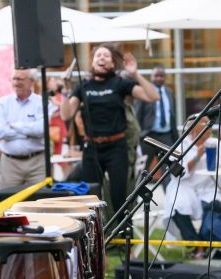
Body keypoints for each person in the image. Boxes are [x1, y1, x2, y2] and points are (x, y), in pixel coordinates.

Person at [61, 44, 158, 212]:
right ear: (93, 63)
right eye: (98, 55)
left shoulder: (120, 83)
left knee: (118, 196)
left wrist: (135, 74)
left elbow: (153, 96)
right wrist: (65, 89)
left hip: (116, 148)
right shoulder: (83, 87)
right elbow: (66, 115)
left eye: (106, 56)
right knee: (91, 197)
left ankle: (122, 234)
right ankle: (95, 235)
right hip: (91, 148)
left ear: (113, 64)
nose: (102, 58)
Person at [163, 116, 221, 259]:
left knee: (213, 205)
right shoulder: (181, 146)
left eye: (208, 132)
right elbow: (177, 172)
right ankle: (197, 245)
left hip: (210, 186)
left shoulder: (215, 144)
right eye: (204, 133)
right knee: (176, 206)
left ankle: (211, 240)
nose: (207, 136)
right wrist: (197, 156)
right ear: (193, 133)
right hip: (186, 186)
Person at [0, 69, 48, 189]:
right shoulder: (2, 103)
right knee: (8, 202)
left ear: (31, 81)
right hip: (10, 163)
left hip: (37, 163)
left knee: (41, 201)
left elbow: (41, 130)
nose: (16, 82)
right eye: (14, 79)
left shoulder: (41, 102)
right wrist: (29, 132)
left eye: (20, 79)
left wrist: (14, 126)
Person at [134, 65, 178, 174]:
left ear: (165, 77)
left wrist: (175, 137)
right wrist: (138, 136)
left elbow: (172, 115)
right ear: (151, 77)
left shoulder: (169, 92)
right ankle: (138, 191)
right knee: (142, 170)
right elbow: (137, 114)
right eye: (156, 76)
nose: (159, 78)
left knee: (168, 170)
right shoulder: (144, 92)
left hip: (166, 137)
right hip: (148, 137)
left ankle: (169, 191)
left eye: (161, 76)